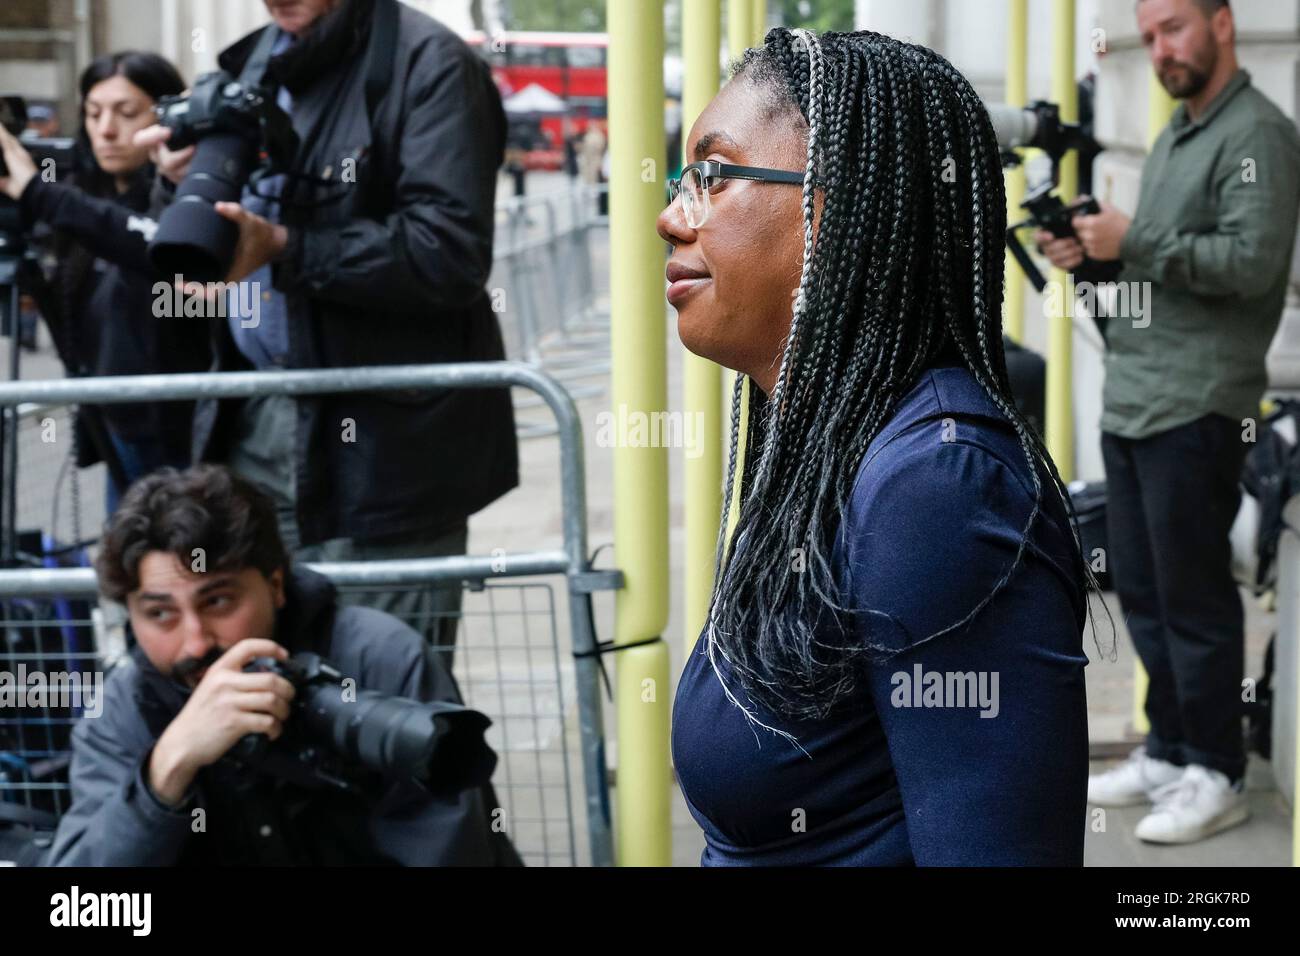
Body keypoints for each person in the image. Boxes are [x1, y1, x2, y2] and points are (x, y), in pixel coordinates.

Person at [658, 28, 1092, 866]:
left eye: (711, 174)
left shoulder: (938, 487)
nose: (672, 214)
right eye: (683, 179)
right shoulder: (823, 443)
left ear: (837, 205)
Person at [135, 0, 518, 669]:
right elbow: (213, 235)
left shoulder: (431, 65)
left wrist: (284, 246)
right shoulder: (253, 60)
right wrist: (180, 184)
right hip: (252, 428)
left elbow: (449, 253)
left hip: (384, 449)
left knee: (386, 690)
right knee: (267, 683)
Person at [1039, 0, 1300, 844]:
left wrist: (1135, 238)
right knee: (1147, 592)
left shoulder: (1257, 134)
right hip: (1137, 395)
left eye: (1175, 28)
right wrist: (1094, 256)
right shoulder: (1176, 135)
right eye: (1148, 37)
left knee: (1193, 600)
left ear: (1223, 23)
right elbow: (1157, 268)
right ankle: (1173, 747)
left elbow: (1253, 264)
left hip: (1199, 403)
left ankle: (1217, 773)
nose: (1160, 50)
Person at [45, 464, 522, 866]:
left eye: (218, 601)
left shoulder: (378, 659)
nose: (195, 641)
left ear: (275, 585)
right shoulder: (123, 709)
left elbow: (451, 853)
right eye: (159, 614)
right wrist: (166, 770)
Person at [0, 52, 210, 510]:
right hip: (113, 420)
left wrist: (40, 193)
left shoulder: (187, 191)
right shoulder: (81, 191)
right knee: (125, 568)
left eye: (127, 112)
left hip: (177, 431)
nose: (107, 130)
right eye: (93, 114)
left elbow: (145, 244)